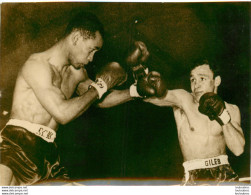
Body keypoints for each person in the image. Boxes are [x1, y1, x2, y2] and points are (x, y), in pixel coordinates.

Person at [0, 12, 150, 186]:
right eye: (91, 49)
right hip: (15, 148)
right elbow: (62, 113)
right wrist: (101, 86)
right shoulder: (36, 65)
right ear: (76, 38)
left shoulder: (77, 73)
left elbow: (97, 99)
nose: (92, 58)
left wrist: (136, 91)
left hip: (48, 154)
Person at [134, 59, 245, 185]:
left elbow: (238, 150)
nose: (196, 85)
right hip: (194, 174)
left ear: (217, 81)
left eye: (202, 78)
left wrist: (223, 116)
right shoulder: (184, 100)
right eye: (193, 80)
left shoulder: (231, 109)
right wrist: (141, 76)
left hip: (225, 172)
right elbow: (151, 95)